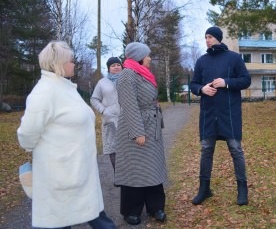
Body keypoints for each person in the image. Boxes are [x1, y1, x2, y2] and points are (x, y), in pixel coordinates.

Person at [17, 41, 116, 229]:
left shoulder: (65, 88)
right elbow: (27, 135)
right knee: (61, 222)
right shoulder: (44, 92)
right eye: (71, 60)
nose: (74, 64)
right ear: (58, 63)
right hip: (59, 175)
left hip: (78, 171)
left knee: (94, 216)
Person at [190, 26, 251, 206]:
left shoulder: (233, 58)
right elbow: (193, 84)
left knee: (236, 150)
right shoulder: (202, 61)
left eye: (210, 37)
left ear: (218, 38)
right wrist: (202, 89)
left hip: (229, 114)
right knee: (206, 150)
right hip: (208, 114)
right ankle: (204, 189)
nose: (207, 40)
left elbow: (245, 80)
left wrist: (226, 82)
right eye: (205, 37)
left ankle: (242, 189)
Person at [114, 42, 167, 225]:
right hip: (135, 128)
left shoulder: (143, 73)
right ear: (138, 56)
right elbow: (129, 106)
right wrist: (138, 132)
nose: (150, 58)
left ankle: (156, 207)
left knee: (152, 167)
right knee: (135, 170)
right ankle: (131, 210)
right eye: (147, 55)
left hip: (150, 126)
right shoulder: (127, 75)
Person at [90, 57, 123, 171]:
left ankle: (129, 176)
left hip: (127, 118)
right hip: (110, 120)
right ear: (108, 68)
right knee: (112, 147)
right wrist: (104, 110)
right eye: (113, 65)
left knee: (128, 147)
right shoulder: (102, 83)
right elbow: (94, 99)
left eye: (118, 65)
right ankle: (117, 176)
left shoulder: (127, 80)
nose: (116, 67)